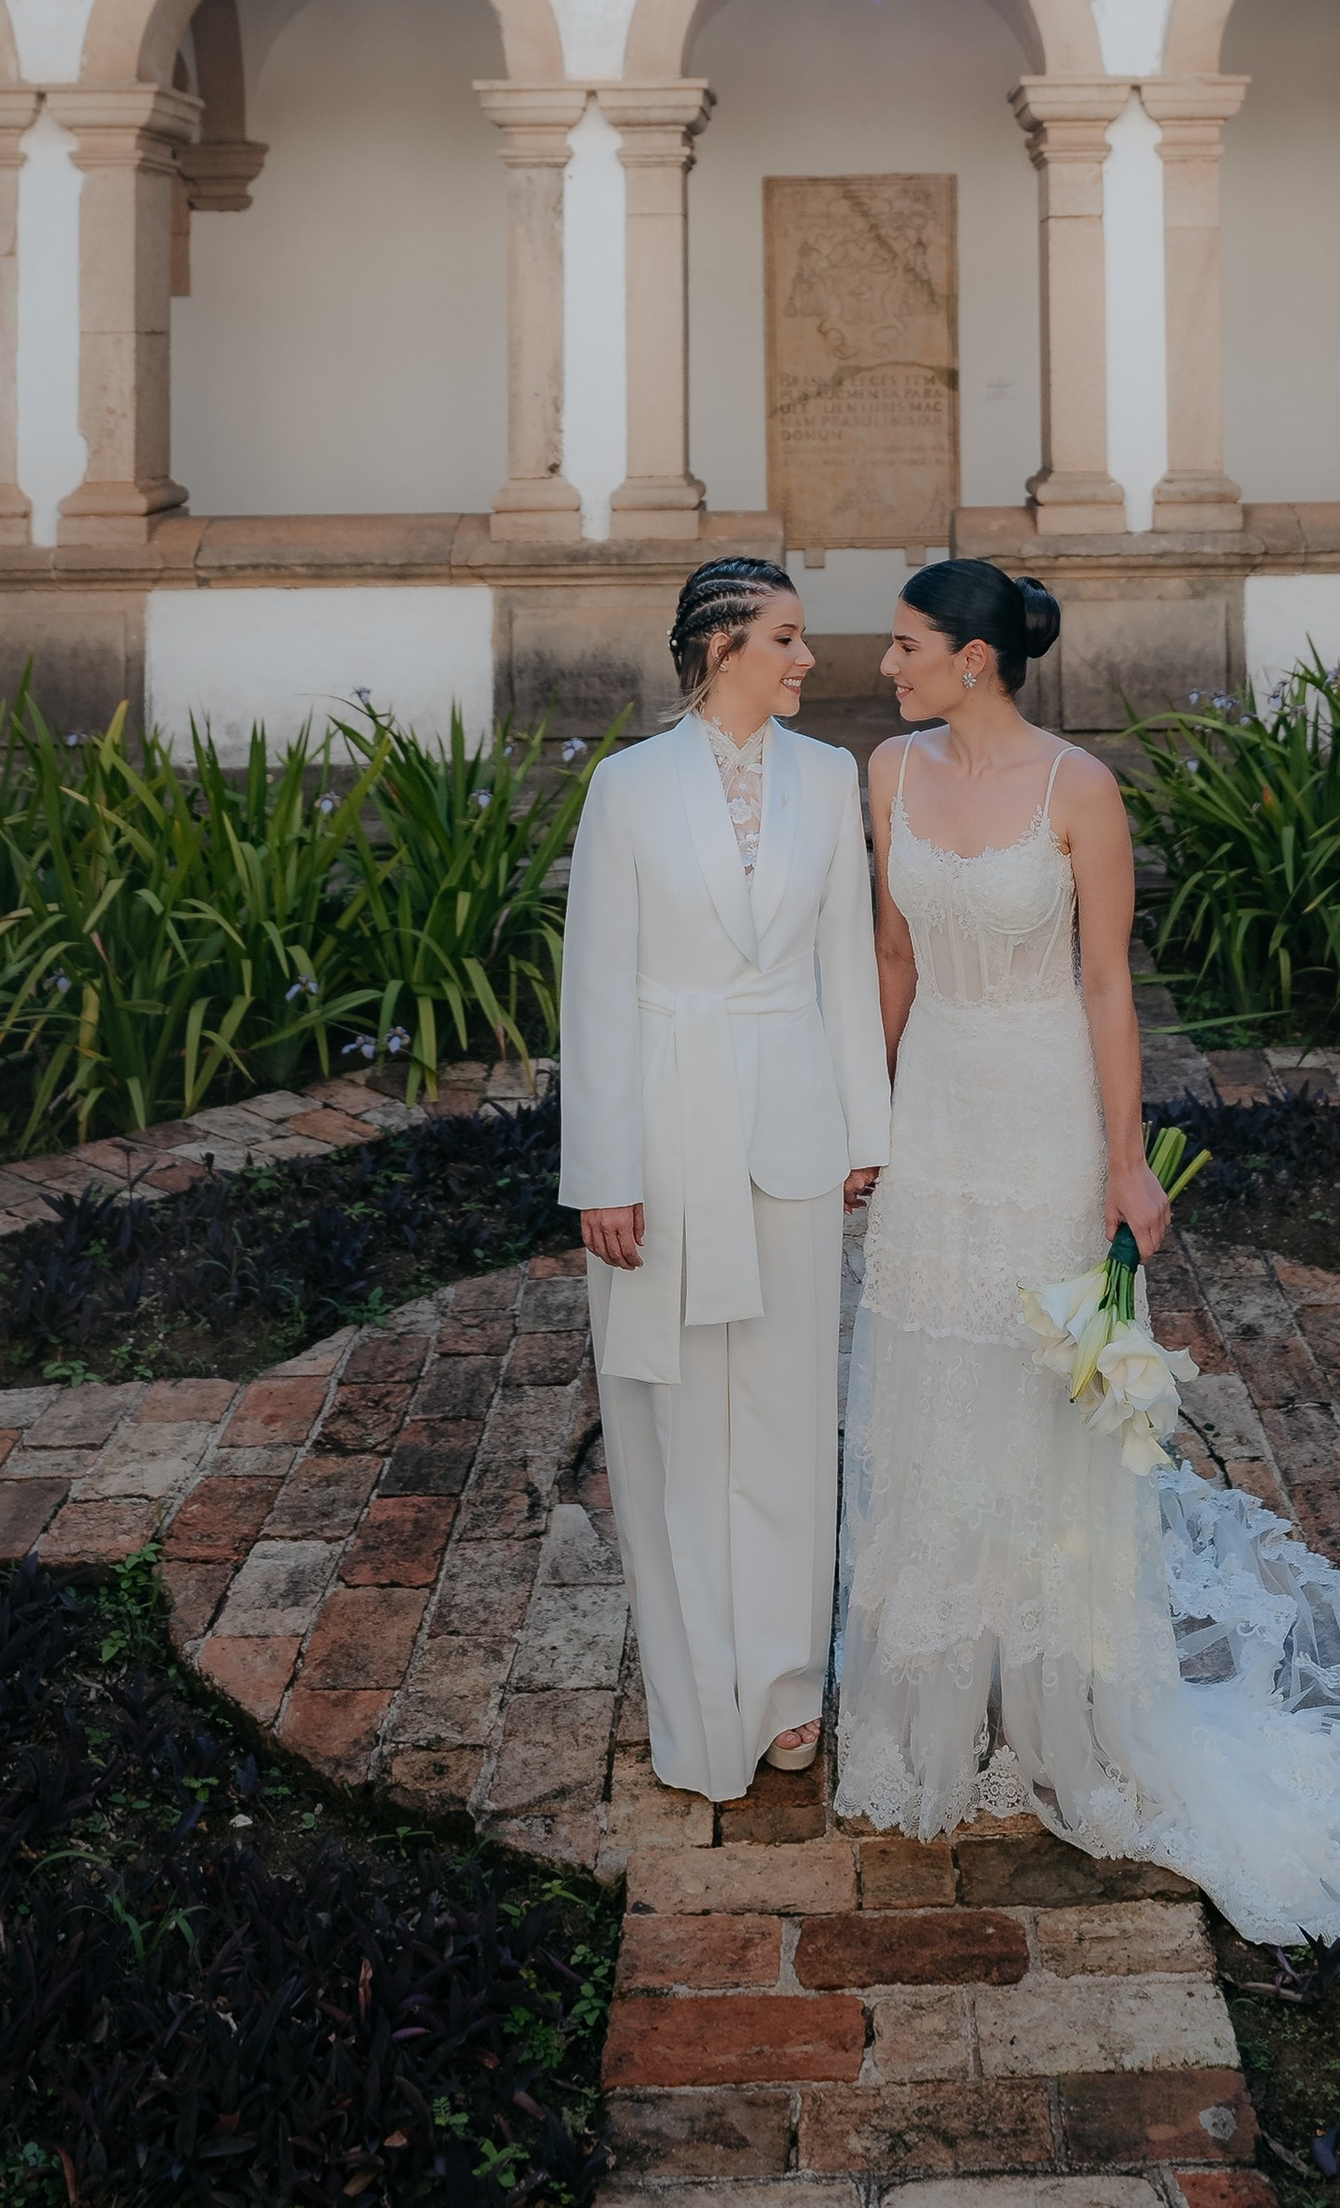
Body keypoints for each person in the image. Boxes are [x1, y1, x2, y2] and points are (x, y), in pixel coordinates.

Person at [832, 556, 1340, 1968]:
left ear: (976, 659)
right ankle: (931, 1698)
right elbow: (892, 956)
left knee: (1039, 1399)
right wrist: (864, 1121)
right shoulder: (888, 773)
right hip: (934, 1117)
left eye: (908, 644)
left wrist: (1125, 1163)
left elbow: (1109, 984)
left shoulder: (1080, 791)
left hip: (1045, 1115)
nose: (888, 664)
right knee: (929, 1390)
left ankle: (1062, 1700)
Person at [560, 554, 890, 1802]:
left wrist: (865, 1131)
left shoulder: (829, 775)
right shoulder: (628, 786)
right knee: (677, 1423)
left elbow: (843, 962)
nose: (809, 658)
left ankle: (789, 1684)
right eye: (787, 638)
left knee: (791, 1415)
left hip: (794, 1130)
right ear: (720, 647)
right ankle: (701, 1696)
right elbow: (595, 988)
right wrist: (603, 1171)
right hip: (663, 1132)